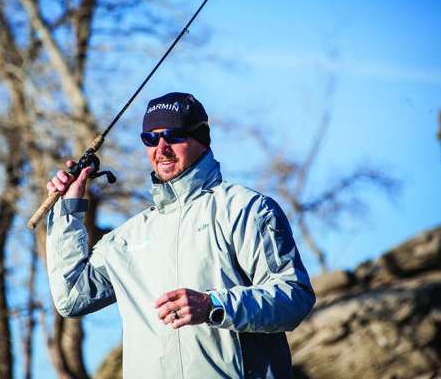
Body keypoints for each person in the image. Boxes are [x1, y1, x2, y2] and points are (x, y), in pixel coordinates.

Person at [45, 92, 316, 379]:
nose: (161, 148)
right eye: (150, 139)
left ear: (201, 139)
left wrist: (213, 306)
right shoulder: (126, 239)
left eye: (173, 136)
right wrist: (67, 210)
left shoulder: (246, 209)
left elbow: (294, 298)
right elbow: (71, 298)